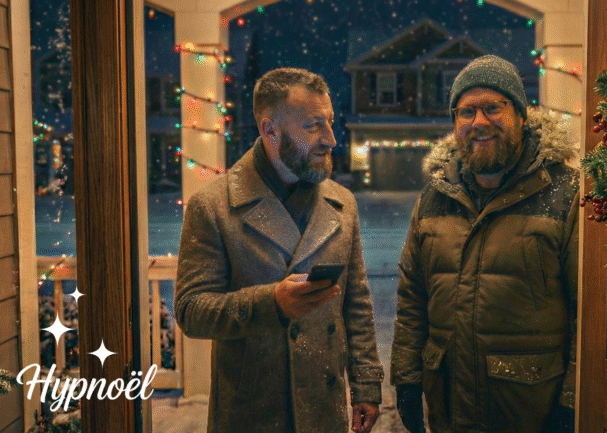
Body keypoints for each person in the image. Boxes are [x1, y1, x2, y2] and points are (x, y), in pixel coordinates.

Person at [175, 67, 383, 433]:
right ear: (269, 130)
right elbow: (191, 311)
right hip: (251, 411)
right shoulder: (214, 206)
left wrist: (366, 385)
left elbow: (356, 303)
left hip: (325, 409)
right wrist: (271, 304)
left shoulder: (342, 203)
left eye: (330, 123)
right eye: (313, 125)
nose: (331, 139)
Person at [390, 55, 579, 433]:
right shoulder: (434, 197)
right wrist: (407, 377)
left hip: (529, 409)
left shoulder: (565, 194)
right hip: (449, 405)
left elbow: (586, 312)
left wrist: (572, 400)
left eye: (494, 108)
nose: (479, 122)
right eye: (466, 112)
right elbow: (413, 297)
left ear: (522, 117)